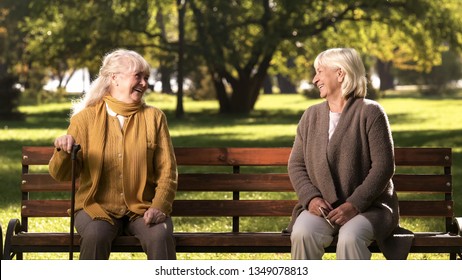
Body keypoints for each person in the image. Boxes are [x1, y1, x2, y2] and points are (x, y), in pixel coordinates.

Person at [49, 49, 178, 260]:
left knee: (160, 237)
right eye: (138, 76)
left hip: (142, 208)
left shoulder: (155, 118)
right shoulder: (84, 119)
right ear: (115, 78)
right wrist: (63, 152)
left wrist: (159, 206)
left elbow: (168, 171)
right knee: (96, 235)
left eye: (146, 77)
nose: (144, 83)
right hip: (95, 207)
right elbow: (60, 174)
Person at [287, 48, 412, 260]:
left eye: (319, 71)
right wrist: (311, 199)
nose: (315, 79)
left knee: (350, 236)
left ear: (340, 73)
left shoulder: (370, 112)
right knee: (303, 233)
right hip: (323, 209)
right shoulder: (311, 116)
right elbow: (296, 165)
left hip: (369, 208)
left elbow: (383, 166)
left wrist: (354, 204)